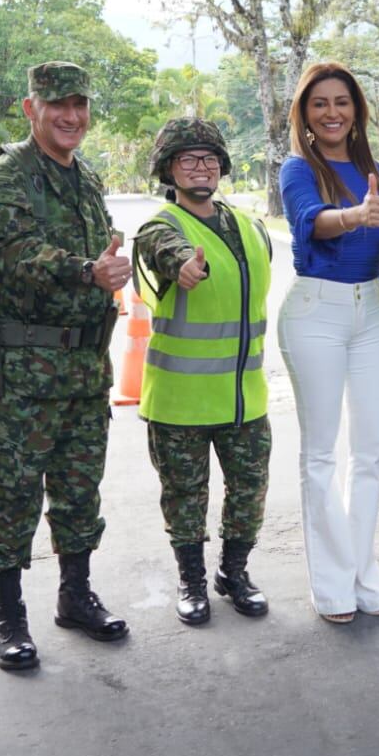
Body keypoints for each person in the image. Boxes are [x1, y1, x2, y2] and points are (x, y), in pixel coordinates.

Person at [0, 61, 132, 672]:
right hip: (19, 372)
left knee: (79, 490)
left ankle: (75, 596)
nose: (70, 116)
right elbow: (9, 250)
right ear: (29, 108)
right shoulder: (5, 175)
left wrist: (106, 271)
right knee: (11, 496)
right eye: (56, 104)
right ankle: (7, 615)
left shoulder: (85, 179)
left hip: (83, 366)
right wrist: (86, 270)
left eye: (79, 105)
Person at [132, 118, 273, 625]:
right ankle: (191, 581)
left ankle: (233, 573)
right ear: (169, 170)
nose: (201, 168)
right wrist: (182, 267)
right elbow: (163, 253)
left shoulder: (251, 227)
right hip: (181, 400)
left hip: (245, 398)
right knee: (186, 498)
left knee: (250, 491)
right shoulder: (160, 227)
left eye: (210, 159)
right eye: (189, 160)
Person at [278, 63, 379, 624]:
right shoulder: (297, 169)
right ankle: (330, 586)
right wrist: (355, 214)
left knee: (371, 451)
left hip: (371, 314)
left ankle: (361, 572)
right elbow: (313, 221)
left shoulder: (373, 168)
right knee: (323, 454)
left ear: (357, 110)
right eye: (320, 103)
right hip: (316, 313)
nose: (332, 113)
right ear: (304, 113)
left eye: (342, 102)